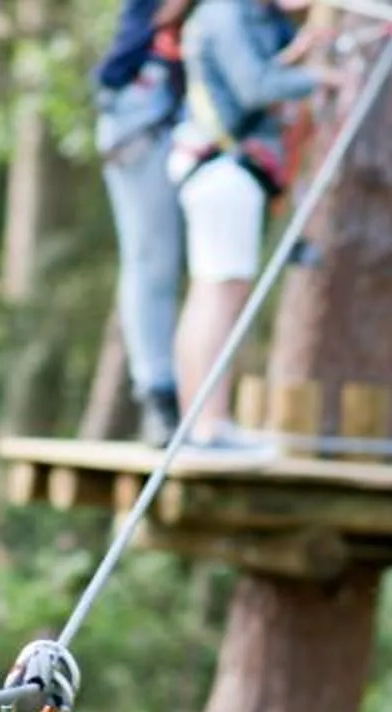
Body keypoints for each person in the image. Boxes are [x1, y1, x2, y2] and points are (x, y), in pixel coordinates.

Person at [168, 0, 323, 443]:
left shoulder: (227, 14)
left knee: (209, 295)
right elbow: (254, 86)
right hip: (224, 171)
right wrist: (319, 78)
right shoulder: (227, 12)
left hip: (213, 170)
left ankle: (200, 420)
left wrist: (292, 59)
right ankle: (211, 422)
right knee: (221, 298)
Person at [95, 0, 188, 443]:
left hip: (180, 115)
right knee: (152, 261)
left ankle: (183, 392)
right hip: (141, 114)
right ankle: (157, 392)